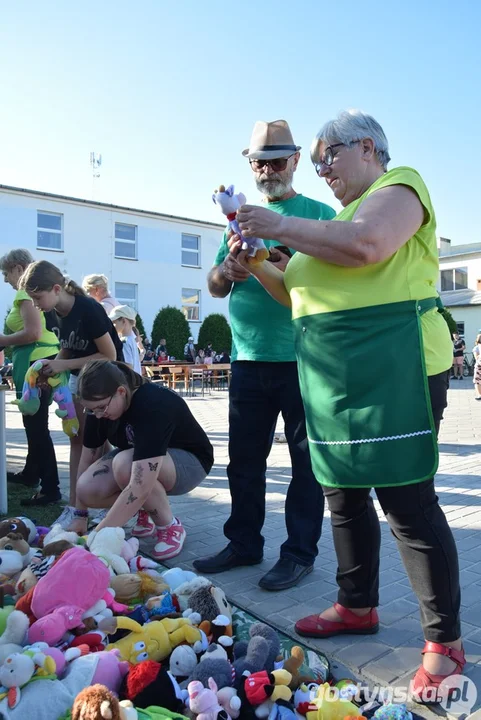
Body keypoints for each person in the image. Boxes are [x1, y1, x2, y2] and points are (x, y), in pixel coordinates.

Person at [231, 109, 463, 699]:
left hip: (397, 370)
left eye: (326, 157)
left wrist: (279, 226)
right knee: (343, 496)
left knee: (407, 501)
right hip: (334, 378)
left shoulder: (399, 187)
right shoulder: (329, 224)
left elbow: (367, 246)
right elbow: (295, 294)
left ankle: (444, 641)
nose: (321, 170)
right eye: (314, 164)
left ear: (367, 147)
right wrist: (256, 261)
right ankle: (355, 605)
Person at [193, 119, 335, 591]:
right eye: (260, 162)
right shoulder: (239, 218)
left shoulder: (318, 213)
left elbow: (337, 280)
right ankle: (244, 543)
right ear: (250, 167)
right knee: (244, 460)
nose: (268, 169)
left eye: (277, 160)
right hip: (248, 358)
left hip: (303, 357)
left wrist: (284, 262)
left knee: (304, 464)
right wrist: (229, 269)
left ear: (295, 162)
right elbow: (213, 287)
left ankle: (298, 554)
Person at [69, 360, 214, 559]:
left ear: (121, 391)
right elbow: (87, 459)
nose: (98, 415)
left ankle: (169, 527)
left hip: (190, 461)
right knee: (86, 488)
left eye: (101, 407)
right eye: (92, 410)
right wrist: (80, 515)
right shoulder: (99, 406)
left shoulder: (152, 403)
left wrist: (95, 538)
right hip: (139, 459)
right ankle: (143, 511)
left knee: (125, 465)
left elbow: (140, 485)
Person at [19, 260, 124, 528]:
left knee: (95, 442)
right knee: (81, 438)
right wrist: (49, 369)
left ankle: (90, 506)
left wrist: (62, 364)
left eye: (37, 297)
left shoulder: (88, 308)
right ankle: (79, 506)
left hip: (110, 379)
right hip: (82, 377)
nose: (35, 304)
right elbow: (68, 347)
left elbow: (109, 355)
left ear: (56, 288)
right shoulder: (53, 311)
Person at [0, 249, 61, 505]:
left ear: (18, 267)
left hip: (38, 365)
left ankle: (51, 488)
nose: (5, 279)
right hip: (35, 364)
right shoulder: (26, 294)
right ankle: (31, 473)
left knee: (37, 427)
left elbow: (33, 332)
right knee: (32, 424)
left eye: (6, 272)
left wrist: (2, 340)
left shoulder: (26, 293)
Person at [109, 305, 142, 374]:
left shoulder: (124, 342)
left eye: (114, 322)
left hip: (130, 383)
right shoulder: (132, 340)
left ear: (124, 321)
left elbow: (128, 366)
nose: (112, 325)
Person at [472, 334, 481, 399]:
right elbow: (476, 357)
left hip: (478, 366)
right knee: (477, 381)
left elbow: (476, 357)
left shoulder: (476, 347)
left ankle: (480, 395)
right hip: (479, 366)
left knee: (477, 381)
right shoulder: (477, 347)